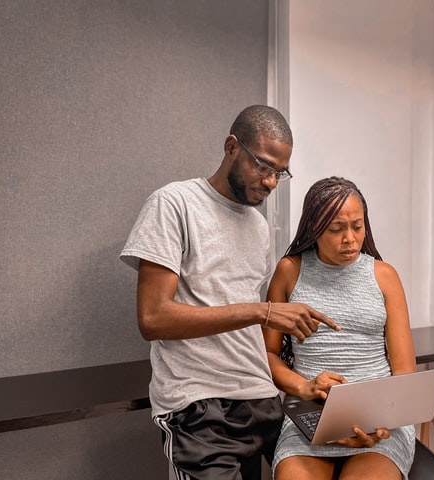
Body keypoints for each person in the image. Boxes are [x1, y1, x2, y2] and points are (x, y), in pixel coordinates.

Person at [119, 105, 340, 480]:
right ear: (232, 147)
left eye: (280, 172)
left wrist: (300, 383)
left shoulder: (257, 226)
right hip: (199, 407)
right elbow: (153, 318)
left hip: (261, 400)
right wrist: (264, 311)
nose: (271, 182)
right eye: (264, 166)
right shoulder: (174, 204)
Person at [263, 176, 417, 480]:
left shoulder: (384, 276)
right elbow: (267, 354)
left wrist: (385, 417)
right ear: (314, 228)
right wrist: (303, 387)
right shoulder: (289, 271)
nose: (349, 238)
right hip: (309, 415)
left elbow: (403, 369)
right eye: (336, 229)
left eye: (357, 226)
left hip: (378, 420)